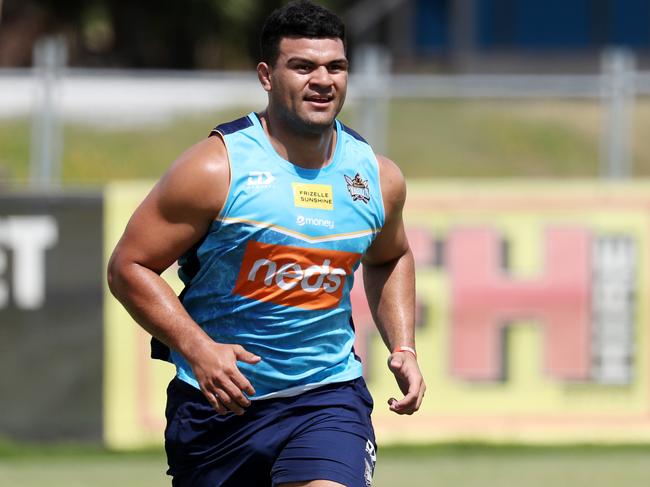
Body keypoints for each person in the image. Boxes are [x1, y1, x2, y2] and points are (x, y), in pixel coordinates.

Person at [107, 1, 425, 486]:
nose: (323, 79)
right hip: (219, 407)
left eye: (335, 67)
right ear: (267, 75)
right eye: (302, 66)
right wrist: (199, 349)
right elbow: (129, 267)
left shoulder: (376, 176)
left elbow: (392, 255)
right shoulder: (215, 169)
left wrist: (404, 346)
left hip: (326, 397)